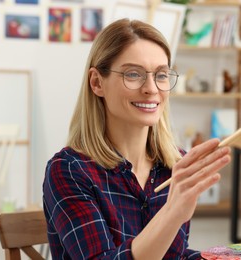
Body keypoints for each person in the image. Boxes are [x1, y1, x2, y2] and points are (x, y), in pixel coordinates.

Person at [43, 18, 231, 260]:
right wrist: (172, 213)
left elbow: (174, 256)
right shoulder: (69, 171)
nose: (151, 88)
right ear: (97, 82)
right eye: (133, 74)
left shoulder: (176, 165)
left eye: (161, 75)